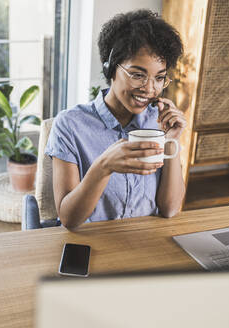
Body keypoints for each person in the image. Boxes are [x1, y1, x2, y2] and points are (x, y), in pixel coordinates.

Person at [45, 9, 186, 229]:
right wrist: (103, 166)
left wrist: (172, 141)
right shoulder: (70, 125)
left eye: (159, 78)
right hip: (92, 245)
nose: (150, 89)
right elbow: (69, 219)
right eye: (138, 75)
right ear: (110, 69)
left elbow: (170, 209)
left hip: (145, 242)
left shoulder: (157, 122)